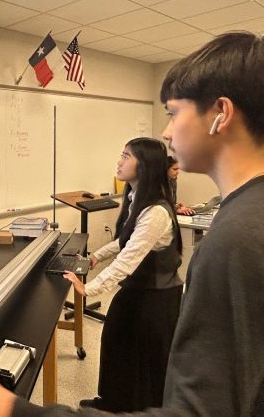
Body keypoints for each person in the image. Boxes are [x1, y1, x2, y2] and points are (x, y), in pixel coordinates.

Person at [0, 31, 264, 416]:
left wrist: (19, 412)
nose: (167, 133)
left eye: (173, 113)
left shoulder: (237, 237)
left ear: (221, 113)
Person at [68, 138, 183, 413]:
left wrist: (90, 289)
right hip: (139, 290)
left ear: (144, 166)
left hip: (157, 297)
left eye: (126, 156)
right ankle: (113, 400)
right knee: (116, 341)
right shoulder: (135, 199)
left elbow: (129, 259)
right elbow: (124, 241)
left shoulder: (156, 211)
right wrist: (96, 256)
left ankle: (133, 407)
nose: (119, 161)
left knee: (141, 357)